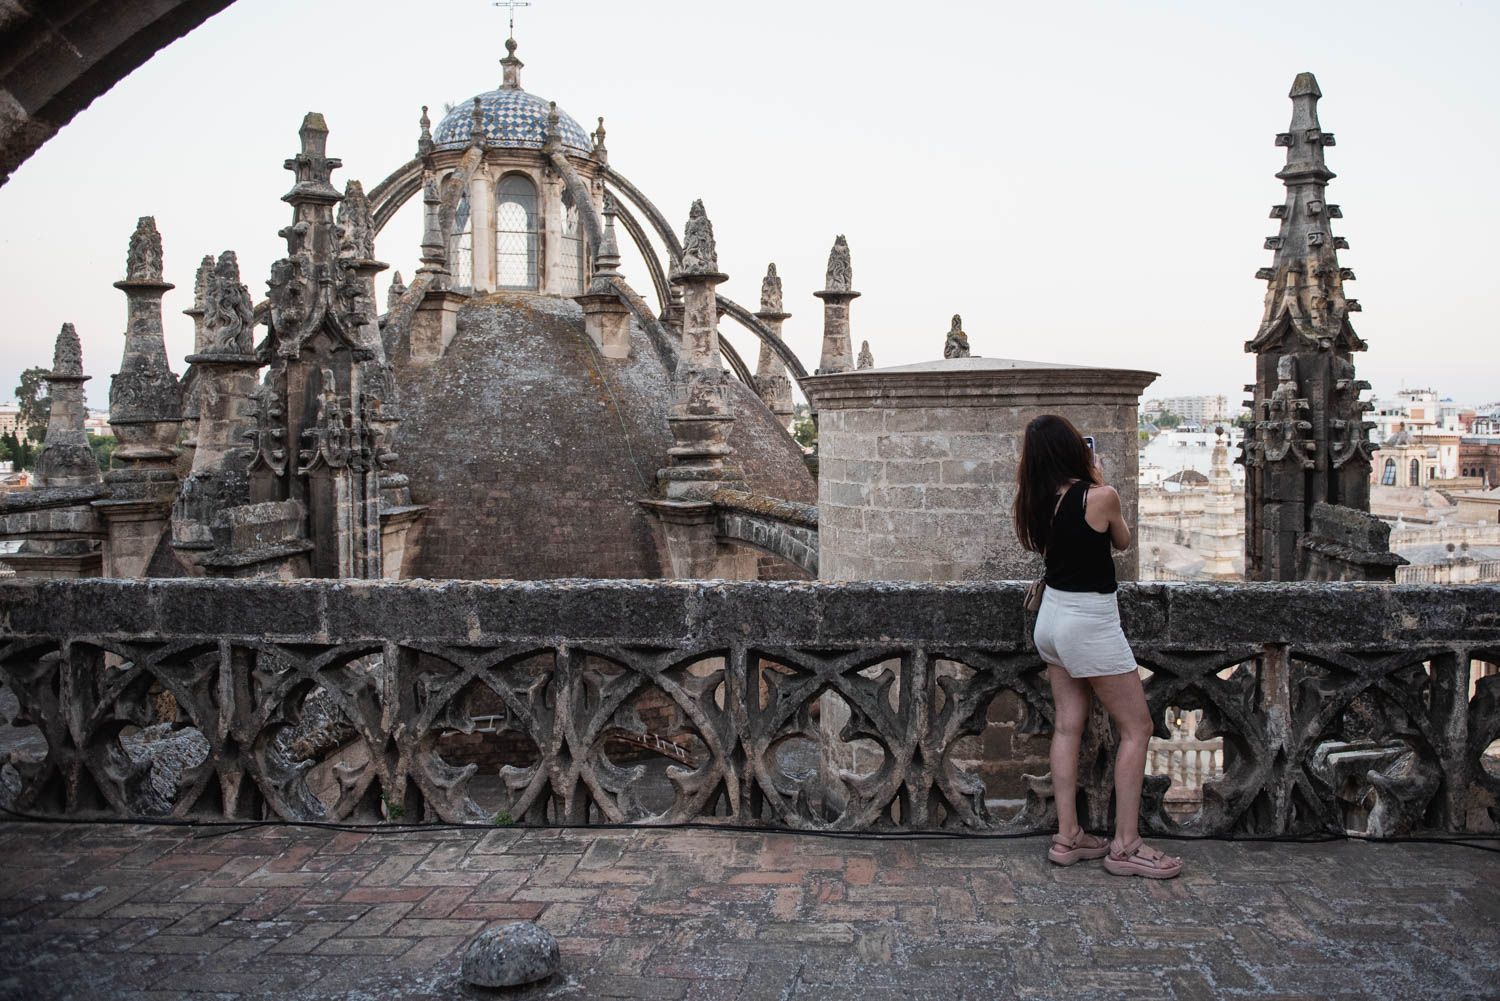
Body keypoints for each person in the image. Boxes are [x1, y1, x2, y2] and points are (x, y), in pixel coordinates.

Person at [1013, 414, 1182, 879]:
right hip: (1088, 622)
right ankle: (1126, 845)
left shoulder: (1036, 502)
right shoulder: (1099, 496)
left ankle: (1068, 836)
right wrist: (1100, 481)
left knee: (1068, 727)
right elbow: (1122, 542)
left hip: (1049, 622)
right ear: (1075, 450)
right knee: (1137, 727)